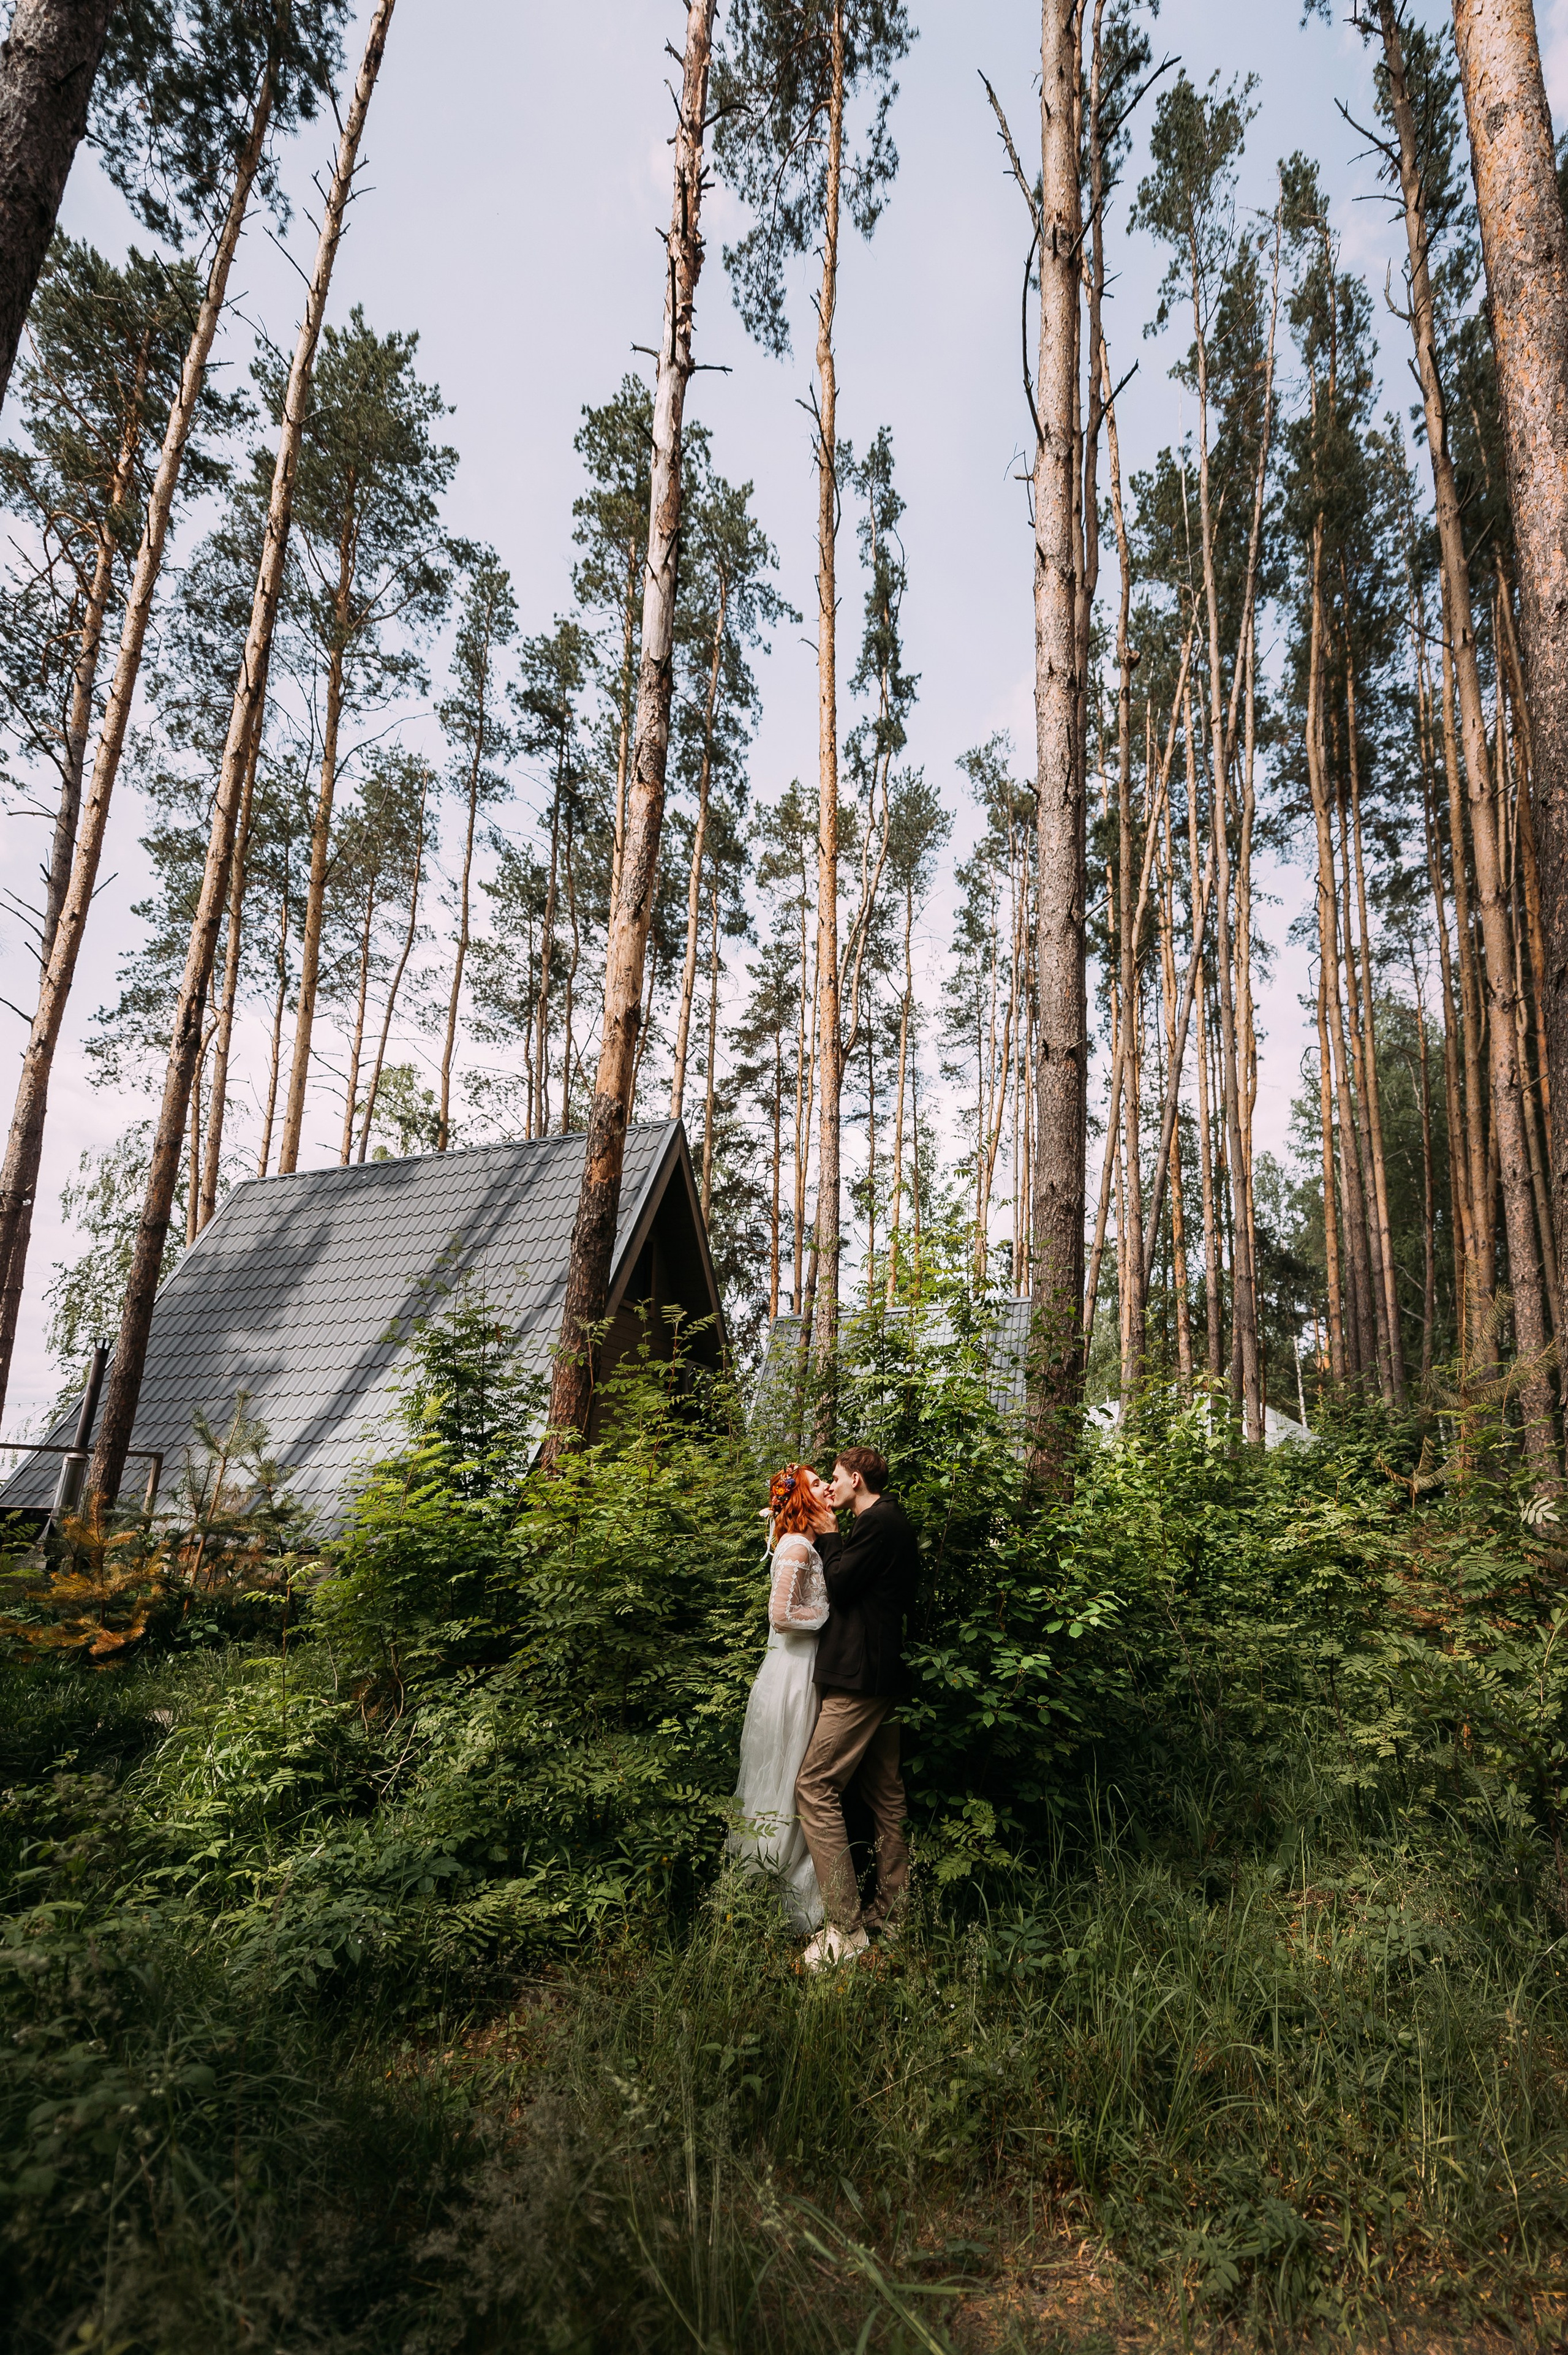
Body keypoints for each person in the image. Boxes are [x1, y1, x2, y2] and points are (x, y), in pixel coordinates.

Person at [794, 1445, 918, 1970]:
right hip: (879, 1674)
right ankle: (893, 1917)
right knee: (884, 1793)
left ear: (859, 1479)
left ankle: (845, 1925)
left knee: (815, 1784)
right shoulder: (884, 1522)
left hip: (862, 1678)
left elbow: (841, 1584)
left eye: (840, 1477)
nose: (834, 1487)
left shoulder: (879, 1521)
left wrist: (825, 1530)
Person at [728, 1460, 837, 1930]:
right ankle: (775, 1894)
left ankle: (790, 1894)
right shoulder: (795, 1547)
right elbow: (780, 1615)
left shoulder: (810, 1545)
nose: (826, 1488)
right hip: (794, 1670)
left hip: (805, 1668)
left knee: (798, 1776)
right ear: (801, 1497)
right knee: (790, 1776)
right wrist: (828, 1615)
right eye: (817, 1483)